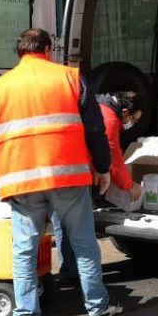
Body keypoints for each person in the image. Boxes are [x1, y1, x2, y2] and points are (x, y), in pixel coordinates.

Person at [0, 28, 119, 316]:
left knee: (24, 253)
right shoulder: (69, 78)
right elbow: (95, 129)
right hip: (68, 178)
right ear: (48, 50)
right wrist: (103, 168)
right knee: (84, 245)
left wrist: (7, 159)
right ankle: (98, 309)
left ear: (20, 52)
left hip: (22, 183)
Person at [54, 91, 144, 278]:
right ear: (125, 112)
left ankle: (69, 270)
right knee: (80, 227)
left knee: (62, 223)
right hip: (75, 175)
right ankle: (84, 278)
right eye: (134, 119)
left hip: (59, 170)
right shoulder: (109, 119)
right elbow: (112, 157)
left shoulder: (97, 106)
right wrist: (129, 185)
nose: (132, 124)